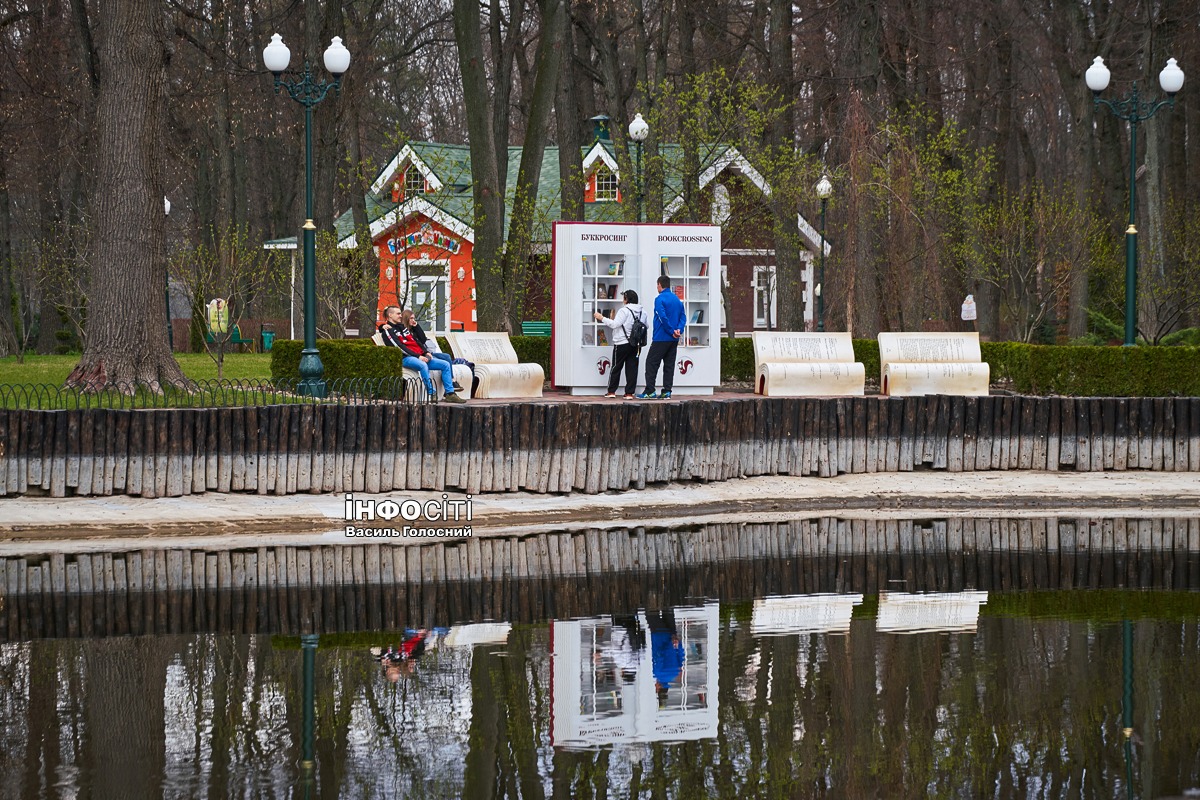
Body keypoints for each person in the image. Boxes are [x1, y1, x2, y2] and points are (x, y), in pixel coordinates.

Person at [377, 305, 466, 403]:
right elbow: (399, 348)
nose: (400, 316)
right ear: (390, 315)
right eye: (398, 314)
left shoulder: (402, 328)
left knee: (445, 364)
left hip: (419, 356)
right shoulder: (388, 331)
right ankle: (432, 393)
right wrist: (418, 356)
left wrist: (426, 352)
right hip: (406, 358)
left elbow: (417, 342)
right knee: (423, 365)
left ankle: (450, 394)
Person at [637, 276, 687, 400]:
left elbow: (661, 317)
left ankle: (650, 390)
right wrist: (678, 331)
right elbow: (683, 317)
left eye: (657, 285)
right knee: (669, 365)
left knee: (651, 363)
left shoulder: (659, 299)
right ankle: (667, 391)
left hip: (661, 337)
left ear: (659, 284)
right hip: (673, 339)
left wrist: (671, 331)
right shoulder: (677, 300)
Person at [593, 289, 648, 399]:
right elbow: (646, 326)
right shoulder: (643, 312)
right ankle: (629, 393)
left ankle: (611, 391)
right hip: (635, 344)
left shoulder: (624, 311)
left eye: (624, 297)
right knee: (632, 368)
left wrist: (601, 318)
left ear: (627, 299)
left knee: (616, 367)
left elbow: (615, 324)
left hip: (621, 343)